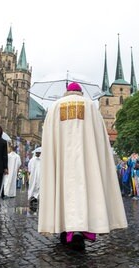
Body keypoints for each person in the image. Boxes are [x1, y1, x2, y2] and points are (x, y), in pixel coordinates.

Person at [38, 81, 128, 250]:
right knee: (87, 188)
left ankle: (64, 228)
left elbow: (48, 138)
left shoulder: (55, 106)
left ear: (67, 92)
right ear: (80, 92)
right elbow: (100, 137)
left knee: (63, 190)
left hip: (62, 159)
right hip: (86, 158)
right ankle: (85, 226)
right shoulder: (90, 106)